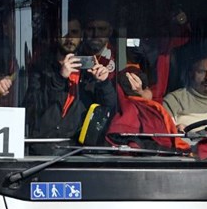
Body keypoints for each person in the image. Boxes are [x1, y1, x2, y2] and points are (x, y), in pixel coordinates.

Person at [26, 18, 116, 151]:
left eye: (74, 32)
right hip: (42, 149)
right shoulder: (41, 68)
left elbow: (110, 108)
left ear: (81, 37)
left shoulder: (90, 69)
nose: (69, 38)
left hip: (78, 152)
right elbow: (31, 108)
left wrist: (103, 83)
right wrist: (59, 78)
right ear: (56, 36)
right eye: (64, 32)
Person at [107, 65, 189, 151]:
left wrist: (175, 129)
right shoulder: (135, 108)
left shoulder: (145, 109)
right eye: (147, 88)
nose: (151, 92)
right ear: (139, 89)